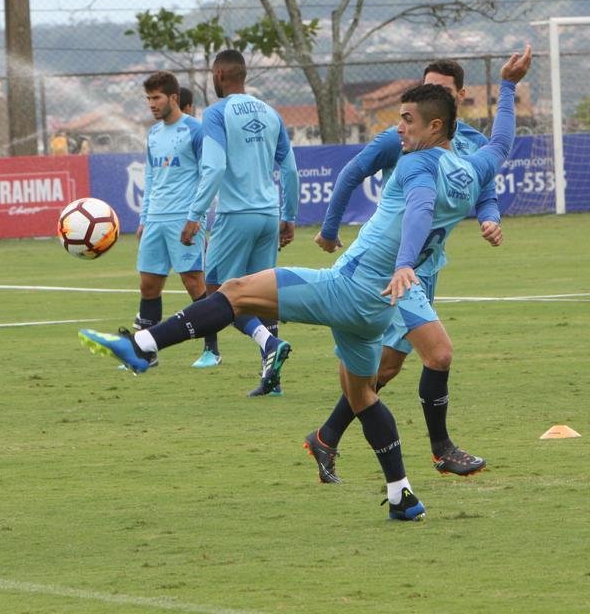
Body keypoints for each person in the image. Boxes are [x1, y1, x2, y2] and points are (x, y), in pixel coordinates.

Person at [78, 56, 527, 521]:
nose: (398, 129)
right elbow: (501, 143)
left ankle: (144, 346)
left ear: (436, 126)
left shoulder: (416, 168)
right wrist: (509, 87)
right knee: (362, 396)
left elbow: (418, 208)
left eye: (407, 121)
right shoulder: (471, 168)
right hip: (374, 313)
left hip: (347, 288)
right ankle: (401, 495)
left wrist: (405, 262)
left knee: (234, 291)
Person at [306, 58, 510, 482]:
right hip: (392, 269)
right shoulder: (402, 139)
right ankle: (439, 450)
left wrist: (490, 217)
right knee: (425, 357)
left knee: (388, 367)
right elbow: (356, 175)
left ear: (457, 98)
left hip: (422, 269)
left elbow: (485, 188)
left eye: (439, 88)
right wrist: (329, 230)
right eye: (424, 85)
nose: (425, 93)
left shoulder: (468, 145)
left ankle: (326, 438)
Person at [180, 49, 299, 395]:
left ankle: (269, 344)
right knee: (263, 297)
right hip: (267, 215)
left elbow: (214, 167)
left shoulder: (216, 114)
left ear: (218, 74)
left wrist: (194, 215)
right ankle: (273, 380)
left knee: (217, 296)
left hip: (235, 216)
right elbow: (289, 169)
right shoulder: (271, 112)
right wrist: (288, 216)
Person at [133, 71, 219, 368]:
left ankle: (212, 350)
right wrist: (144, 219)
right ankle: (146, 352)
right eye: (148, 99)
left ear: (173, 98)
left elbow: (209, 174)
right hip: (156, 218)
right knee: (148, 284)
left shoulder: (195, 131)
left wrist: (196, 217)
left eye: (156, 98)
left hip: (184, 219)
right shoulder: (153, 134)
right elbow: (150, 177)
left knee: (193, 281)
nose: (151, 104)